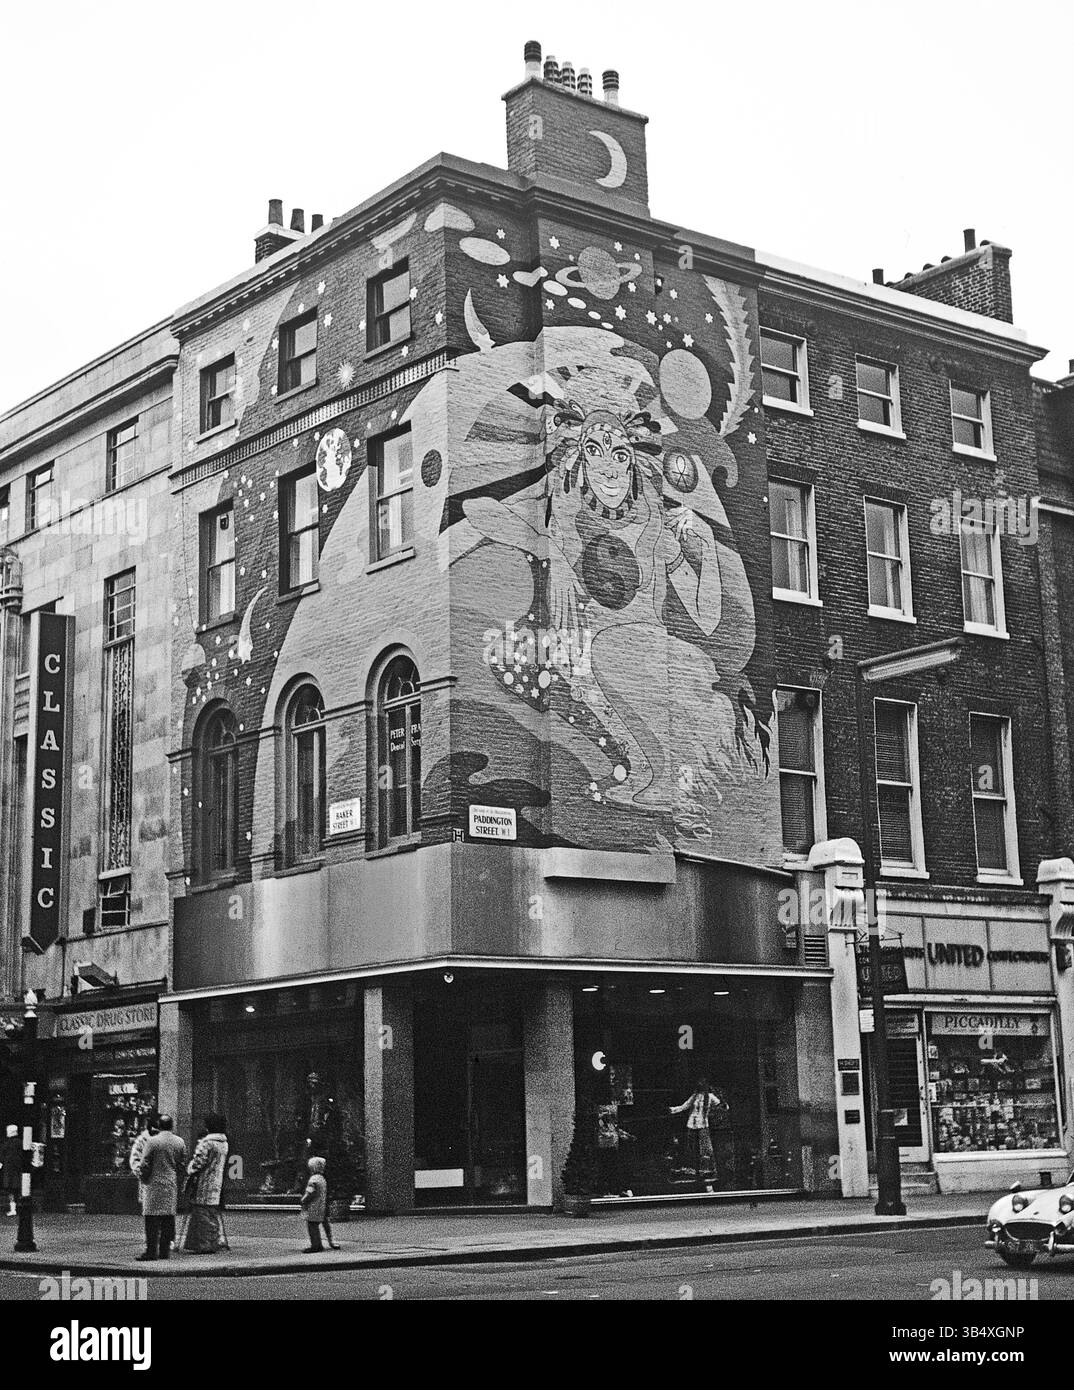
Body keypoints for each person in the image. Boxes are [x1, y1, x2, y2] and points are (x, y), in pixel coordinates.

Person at [136, 1115, 187, 1261]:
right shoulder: (179, 1142)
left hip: (153, 1183)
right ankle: (164, 1251)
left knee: (151, 1219)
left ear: (159, 1125)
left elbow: (145, 1163)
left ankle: (151, 1251)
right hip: (170, 1182)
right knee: (167, 1218)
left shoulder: (152, 1142)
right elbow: (182, 1163)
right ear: (172, 1125)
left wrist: (143, 1177)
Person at [669, 1078, 728, 1192]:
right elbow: (685, 1106)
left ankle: (707, 1171)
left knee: (705, 1149)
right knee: (691, 1148)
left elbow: (721, 1105)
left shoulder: (710, 1097)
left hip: (703, 1126)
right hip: (691, 1125)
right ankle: (693, 1171)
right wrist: (672, 1110)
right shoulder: (695, 1096)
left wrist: (723, 1106)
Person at [183, 1114, 229, 1253]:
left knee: (201, 1212)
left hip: (204, 1182)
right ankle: (214, 1240)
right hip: (217, 1181)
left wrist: (190, 1168)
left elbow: (199, 1163)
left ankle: (204, 1244)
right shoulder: (223, 1143)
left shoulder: (207, 1142)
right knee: (212, 1212)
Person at [129, 1114, 159, 1253]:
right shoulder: (142, 1140)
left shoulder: (168, 1139)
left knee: (164, 1215)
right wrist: (141, 1174)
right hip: (149, 1181)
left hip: (163, 1182)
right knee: (151, 1215)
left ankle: (164, 1242)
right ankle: (153, 1244)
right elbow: (135, 1159)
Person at [299, 1156, 338, 1252]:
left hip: (313, 1206)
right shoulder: (322, 1179)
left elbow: (310, 1192)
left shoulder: (313, 1179)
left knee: (312, 1226)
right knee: (322, 1224)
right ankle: (328, 1242)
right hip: (322, 1204)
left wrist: (303, 1200)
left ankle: (316, 1245)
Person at [595, 1106, 635, 1197]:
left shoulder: (611, 1124)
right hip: (604, 1147)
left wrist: (627, 1136)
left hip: (612, 1147)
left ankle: (615, 1189)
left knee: (614, 1168)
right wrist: (612, 1135)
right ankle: (606, 1190)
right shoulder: (600, 1123)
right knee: (606, 1169)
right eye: (607, 1114)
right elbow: (604, 1133)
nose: (609, 1116)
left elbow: (616, 1130)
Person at [2, 1124, 20, 1217]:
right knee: (17, 1189)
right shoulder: (20, 1143)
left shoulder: (7, 1144)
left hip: (9, 1170)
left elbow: (2, 1155)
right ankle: (17, 1207)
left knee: (10, 1190)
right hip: (18, 1170)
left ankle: (13, 1209)